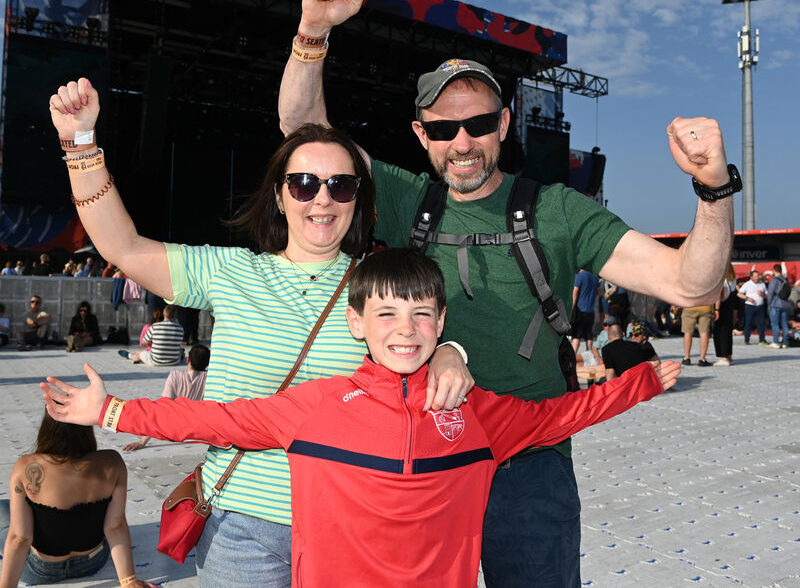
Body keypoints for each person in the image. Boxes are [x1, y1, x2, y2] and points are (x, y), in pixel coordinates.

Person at [278, 0, 735, 586]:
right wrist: (311, 33)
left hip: (530, 464)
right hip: (424, 460)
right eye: (442, 128)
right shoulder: (407, 196)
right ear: (421, 135)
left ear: (504, 123)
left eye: (478, 124)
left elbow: (692, 285)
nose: (462, 142)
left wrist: (713, 188)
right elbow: (305, 135)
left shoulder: (558, 210)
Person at [42, 249, 681, 587]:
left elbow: (559, 416)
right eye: (387, 316)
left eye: (423, 315)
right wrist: (113, 409)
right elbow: (217, 420)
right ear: (357, 325)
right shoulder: (318, 407)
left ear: (441, 323)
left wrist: (641, 383)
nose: (406, 331)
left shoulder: (476, 411)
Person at [49, 83, 470, 588]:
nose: (323, 198)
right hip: (240, 527)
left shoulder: (377, 286)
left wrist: (449, 350)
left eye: (341, 185)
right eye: (304, 183)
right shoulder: (230, 271)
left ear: (359, 200)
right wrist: (81, 144)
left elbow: (425, 328)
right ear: (279, 193)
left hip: (351, 526)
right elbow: (123, 247)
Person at [0, 411, 155, 587]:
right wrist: (129, 581)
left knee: (4, 511)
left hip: (41, 570)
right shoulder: (112, 462)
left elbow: (20, 538)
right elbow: (114, 526)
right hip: (92, 562)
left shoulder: (24, 467)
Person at [123, 344, 210, 451]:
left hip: (172, 432)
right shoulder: (209, 378)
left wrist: (142, 442)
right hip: (195, 430)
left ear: (188, 360)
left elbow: (162, 408)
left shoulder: (175, 375)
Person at [118, 304, 183, 366]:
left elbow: (144, 342)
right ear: (175, 315)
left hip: (155, 360)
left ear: (164, 314)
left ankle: (130, 356)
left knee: (139, 353)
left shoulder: (155, 326)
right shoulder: (180, 328)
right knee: (180, 350)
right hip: (174, 361)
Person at [713, 263, 737, 366]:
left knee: (720, 331)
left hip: (722, 306)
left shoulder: (722, 279)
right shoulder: (733, 280)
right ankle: (729, 355)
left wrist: (716, 309)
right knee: (727, 332)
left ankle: (724, 357)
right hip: (730, 306)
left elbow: (720, 294)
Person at [571, 269, 599, 354]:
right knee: (589, 334)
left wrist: (572, 307)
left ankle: (573, 355)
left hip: (580, 310)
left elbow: (575, 291)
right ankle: (589, 353)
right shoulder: (595, 277)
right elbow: (598, 292)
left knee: (576, 335)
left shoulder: (580, 276)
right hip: (591, 310)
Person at [738, 270, 767, 345]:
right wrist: (747, 298)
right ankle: (747, 339)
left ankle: (762, 339)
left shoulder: (762, 284)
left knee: (761, 323)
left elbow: (766, 295)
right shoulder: (747, 284)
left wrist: (762, 294)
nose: (757, 278)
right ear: (751, 277)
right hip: (750, 306)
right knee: (748, 322)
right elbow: (739, 294)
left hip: (760, 306)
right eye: (755, 276)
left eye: (758, 276)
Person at [766, 263, 790, 348]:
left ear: (774, 270)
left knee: (775, 323)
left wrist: (769, 303)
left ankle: (775, 342)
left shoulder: (774, 280)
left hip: (775, 304)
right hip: (785, 304)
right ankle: (785, 342)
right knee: (784, 323)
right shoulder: (786, 280)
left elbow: (770, 293)